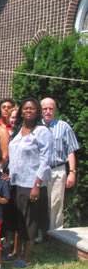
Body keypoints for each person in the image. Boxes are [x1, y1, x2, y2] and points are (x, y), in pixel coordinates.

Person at [8, 98, 53, 268]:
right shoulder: (19, 130)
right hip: (16, 183)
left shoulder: (42, 132)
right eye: (25, 108)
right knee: (19, 220)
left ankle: (26, 258)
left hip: (32, 184)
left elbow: (45, 159)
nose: (28, 111)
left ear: (37, 112)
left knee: (30, 222)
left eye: (32, 108)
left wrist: (36, 184)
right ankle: (16, 253)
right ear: (21, 111)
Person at [41, 97, 79, 230]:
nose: (47, 111)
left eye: (50, 108)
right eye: (45, 109)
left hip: (58, 170)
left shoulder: (64, 126)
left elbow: (71, 151)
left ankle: (56, 234)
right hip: (39, 171)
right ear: (41, 110)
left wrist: (72, 173)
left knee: (56, 203)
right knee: (39, 202)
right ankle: (40, 234)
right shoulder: (35, 126)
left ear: (55, 110)